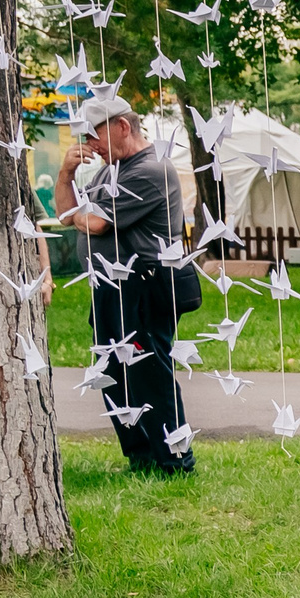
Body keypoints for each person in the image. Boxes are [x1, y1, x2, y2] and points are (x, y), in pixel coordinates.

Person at [56, 90, 199, 474]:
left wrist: (75, 215)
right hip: (110, 288)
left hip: (146, 288)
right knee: (113, 375)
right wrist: (65, 174)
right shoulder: (109, 170)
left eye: (94, 135)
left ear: (122, 126)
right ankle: (140, 456)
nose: (89, 145)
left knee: (149, 375)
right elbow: (64, 210)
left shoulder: (152, 169)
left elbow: (93, 221)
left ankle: (174, 460)